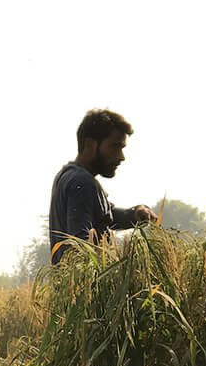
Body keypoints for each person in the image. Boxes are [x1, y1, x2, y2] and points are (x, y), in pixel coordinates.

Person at [48, 109, 155, 264]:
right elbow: (80, 247)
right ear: (90, 145)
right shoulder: (82, 182)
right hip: (85, 287)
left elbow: (105, 215)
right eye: (115, 147)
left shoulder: (68, 176)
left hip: (71, 286)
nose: (121, 157)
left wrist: (134, 214)